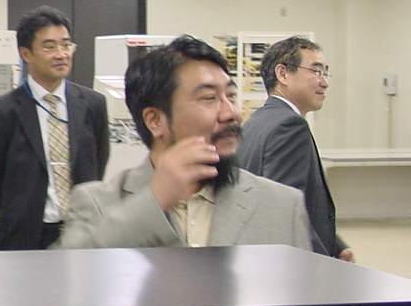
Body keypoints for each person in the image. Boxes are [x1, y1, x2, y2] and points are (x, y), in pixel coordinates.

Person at [56, 36, 312, 251]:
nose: (231, 113)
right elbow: (68, 279)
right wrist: (155, 200)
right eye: (209, 98)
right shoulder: (98, 203)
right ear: (155, 120)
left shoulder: (281, 205)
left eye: (231, 95)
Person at [0, 7, 109, 249]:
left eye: (66, 45)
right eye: (49, 47)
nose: (61, 54)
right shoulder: (0, 113)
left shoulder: (93, 104)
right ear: (25, 53)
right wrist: (18, 211)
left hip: (83, 231)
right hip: (24, 237)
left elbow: (99, 161)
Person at [240, 36, 354, 261]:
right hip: (291, 266)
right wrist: (326, 264)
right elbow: (284, 214)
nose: (325, 83)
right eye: (316, 71)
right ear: (283, 74)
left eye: (326, 73)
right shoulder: (290, 126)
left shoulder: (254, 124)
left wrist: (335, 245)